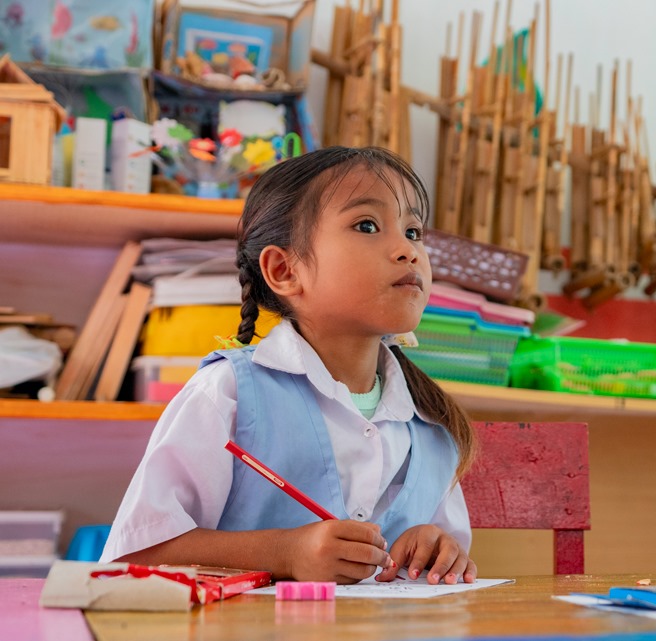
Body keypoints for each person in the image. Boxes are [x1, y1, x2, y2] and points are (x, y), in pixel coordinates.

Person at [101, 146, 477, 585]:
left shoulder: (434, 423)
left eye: (413, 232)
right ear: (284, 270)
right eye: (367, 225)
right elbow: (136, 554)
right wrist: (286, 553)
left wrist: (437, 551)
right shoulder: (228, 393)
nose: (408, 251)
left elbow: (447, 561)